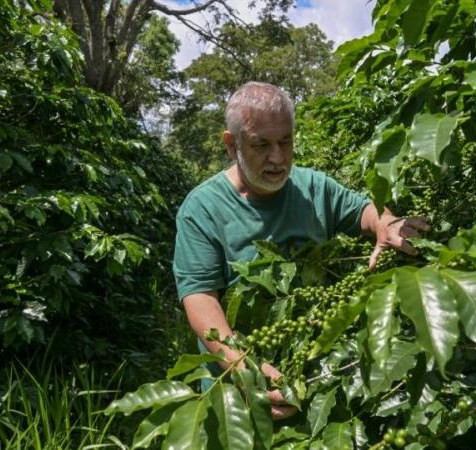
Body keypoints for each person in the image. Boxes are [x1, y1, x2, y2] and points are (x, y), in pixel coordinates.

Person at [173, 82, 429, 420]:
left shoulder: (313, 188)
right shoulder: (202, 209)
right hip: (238, 394)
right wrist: (245, 369)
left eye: (285, 142)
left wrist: (387, 223)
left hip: (315, 377)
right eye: (261, 145)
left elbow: (363, 212)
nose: (277, 158)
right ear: (231, 145)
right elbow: (201, 299)